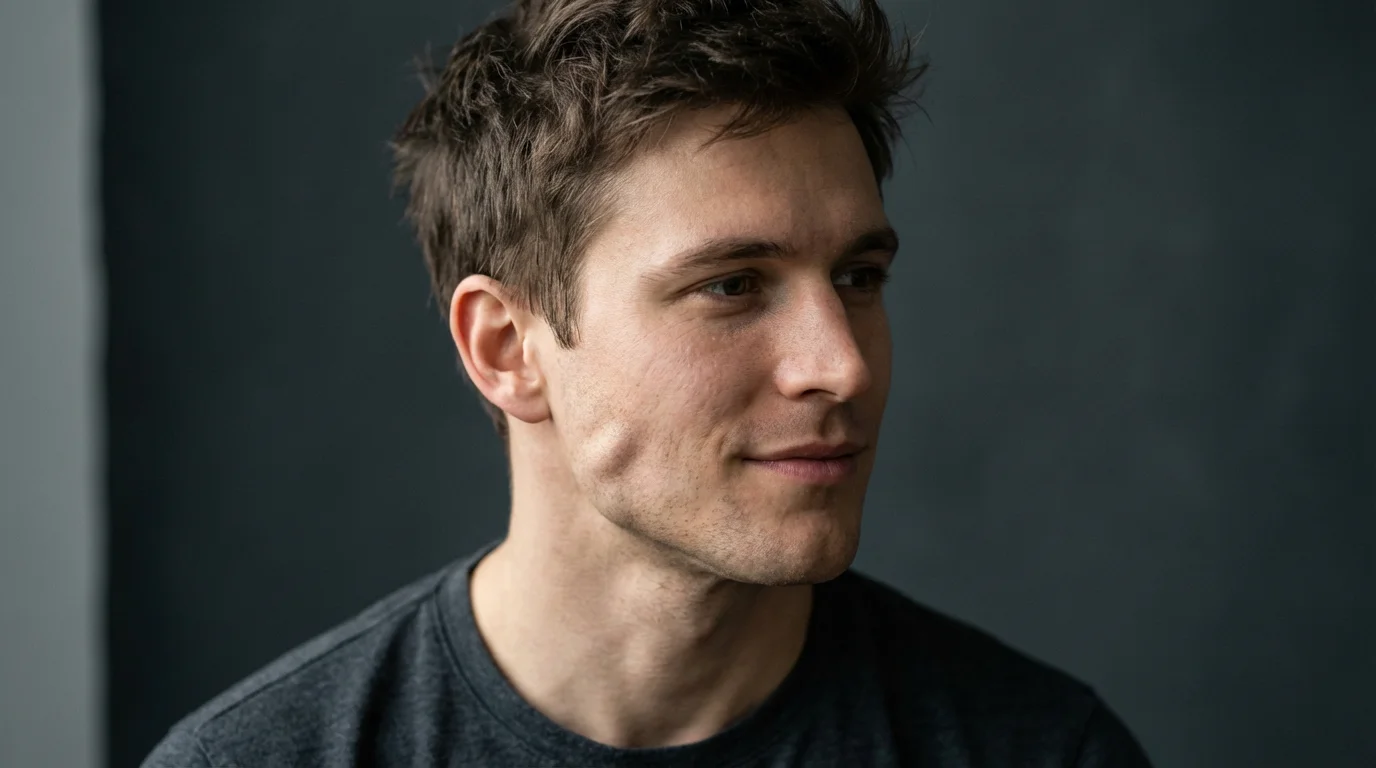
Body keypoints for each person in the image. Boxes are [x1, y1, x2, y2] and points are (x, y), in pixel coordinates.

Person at [143, 0, 1155, 765]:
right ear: (506, 349)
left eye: (857, 277)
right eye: (731, 285)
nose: (841, 364)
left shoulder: (1041, 749)